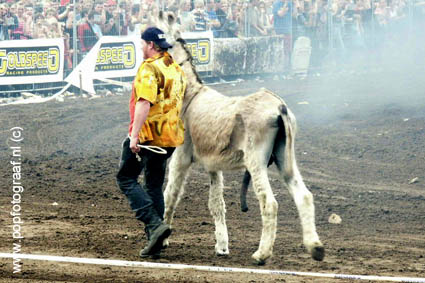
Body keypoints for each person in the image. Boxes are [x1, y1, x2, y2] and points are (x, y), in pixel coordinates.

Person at [116, 27, 187, 259]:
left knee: (126, 177)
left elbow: (144, 102)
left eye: (142, 44)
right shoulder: (175, 68)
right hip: (170, 136)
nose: (141, 48)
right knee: (154, 185)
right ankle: (156, 239)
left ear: (150, 45)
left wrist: (134, 135)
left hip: (149, 135)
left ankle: (154, 225)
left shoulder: (149, 68)